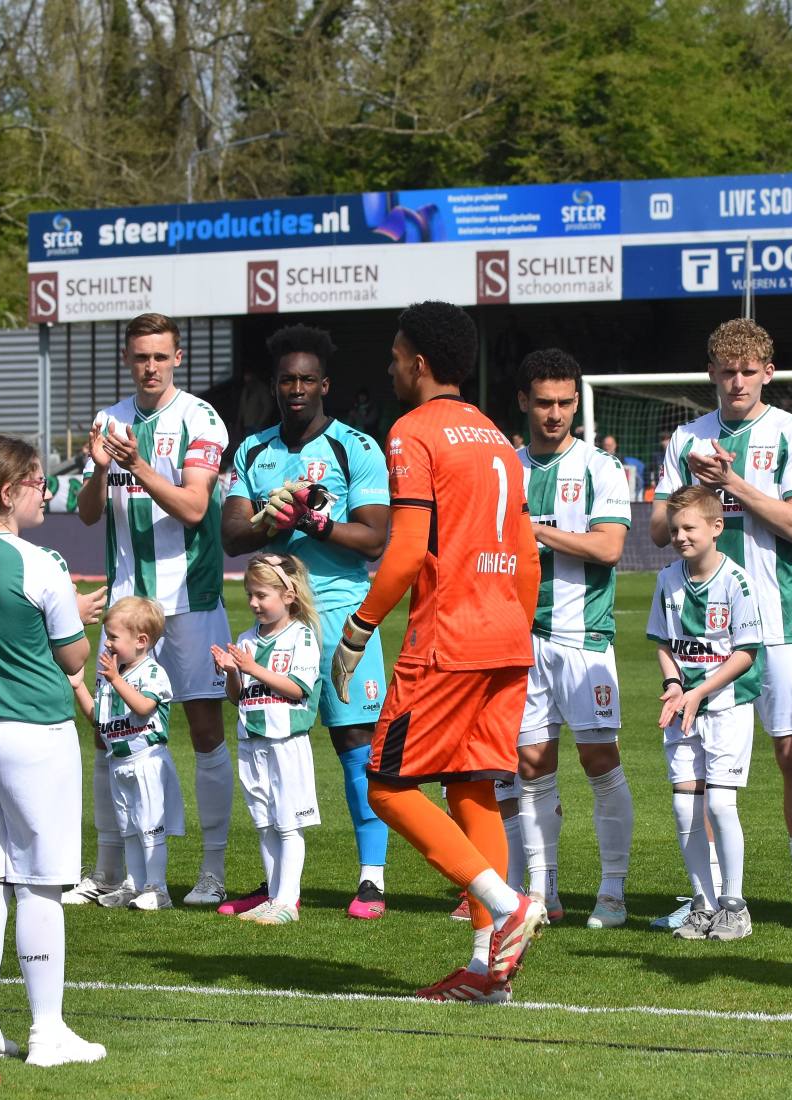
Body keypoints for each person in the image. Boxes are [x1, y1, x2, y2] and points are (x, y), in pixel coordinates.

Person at [329, 301, 544, 1004]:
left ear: (420, 363)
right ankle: (488, 971)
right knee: (473, 787)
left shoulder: (413, 431)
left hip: (447, 638)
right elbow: (526, 555)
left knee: (387, 785)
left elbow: (406, 552)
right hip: (508, 633)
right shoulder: (493, 436)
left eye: (395, 356)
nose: (390, 367)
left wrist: (359, 629)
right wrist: (513, 627)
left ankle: (505, 905)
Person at [652, 319, 792, 930]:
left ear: (767, 373)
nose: (737, 382)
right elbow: (656, 530)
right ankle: (712, 898)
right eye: (726, 371)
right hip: (703, 630)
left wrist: (728, 482)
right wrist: (690, 484)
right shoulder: (688, 438)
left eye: (748, 371)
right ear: (711, 373)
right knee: (699, 768)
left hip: (779, 621)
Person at [0, 437, 104, 1072]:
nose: (46, 492)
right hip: (34, 734)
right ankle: (46, 1030)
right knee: (39, 884)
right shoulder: (40, 564)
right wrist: (76, 619)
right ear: (9, 493)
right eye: (37, 483)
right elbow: (73, 658)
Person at [221, 324, 392, 918]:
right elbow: (232, 534)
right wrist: (275, 520)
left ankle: (371, 878)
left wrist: (314, 524)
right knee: (266, 741)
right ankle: (275, 883)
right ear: (275, 384)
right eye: (286, 379)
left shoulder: (356, 447)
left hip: (343, 619)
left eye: (306, 379)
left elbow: (374, 539)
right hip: (275, 626)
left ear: (325, 384)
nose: (296, 388)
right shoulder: (252, 450)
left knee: (354, 743)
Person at [74, 314, 232, 910]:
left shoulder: (202, 417)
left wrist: (135, 465)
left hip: (189, 600)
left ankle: (211, 870)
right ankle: (109, 871)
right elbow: (90, 513)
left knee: (204, 730)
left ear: (178, 357)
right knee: (107, 730)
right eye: (141, 357)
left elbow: (194, 507)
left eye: (160, 357)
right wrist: (98, 467)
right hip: (125, 604)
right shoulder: (107, 420)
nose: (150, 367)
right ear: (126, 357)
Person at [495, 349, 635, 929]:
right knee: (531, 765)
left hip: (584, 638)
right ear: (525, 401)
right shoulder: (505, 467)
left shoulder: (600, 468)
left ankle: (612, 891)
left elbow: (608, 548)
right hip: (519, 638)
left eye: (565, 403)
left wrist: (536, 532)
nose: (555, 413)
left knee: (600, 761)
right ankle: (542, 890)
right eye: (545, 402)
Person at [649, 486, 762, 942]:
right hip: (684, 709)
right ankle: (702, 903)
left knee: (719, 802)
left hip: (727, 707)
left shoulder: (736, 581)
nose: (679, 537)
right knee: (683, 806)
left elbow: (745, 653)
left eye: (689, 528)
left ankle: (734, 905)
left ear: (717, 528)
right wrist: (675, 685)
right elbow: (663, 642)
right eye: (674, 529)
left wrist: (699, 692)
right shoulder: (666, 580)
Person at [211, 554, 323, 924]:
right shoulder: (246, 638)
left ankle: (288, 902)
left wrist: (251, 667)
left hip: (285, 740)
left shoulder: (302, 635)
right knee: (264, 822)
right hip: (251, 741)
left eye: (262, 595)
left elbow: (297, 688)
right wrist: (231, 672)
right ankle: (274, 896)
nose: (254, 603)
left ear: (288, 595)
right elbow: (236, 695)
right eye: (250, 595)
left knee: (288, 823)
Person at [73, 597, 176, 911]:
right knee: (129, 828)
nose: (108, 643)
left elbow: (144, 707)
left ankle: (158, 888)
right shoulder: (111, 676)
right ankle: (133, 884)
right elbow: (100, 720)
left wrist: (116, 680)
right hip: (118, 762)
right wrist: (78, 686)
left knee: (149, 827)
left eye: (114, 637)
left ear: (141, 641)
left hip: (147, 761)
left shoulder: (152, 672)